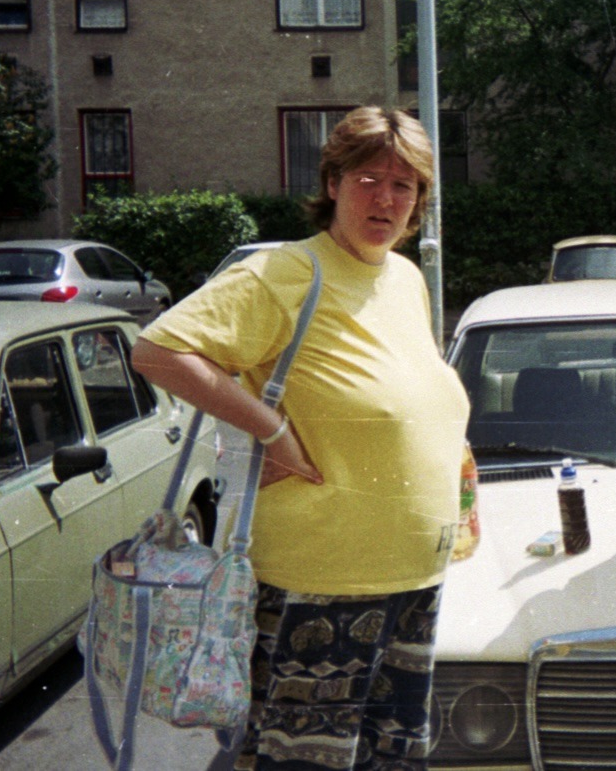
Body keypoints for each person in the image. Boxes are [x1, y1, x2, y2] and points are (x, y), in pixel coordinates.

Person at [132, 106, 469, 771]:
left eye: (404, 185)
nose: (386, 197)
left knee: (393, 761)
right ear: (333, 183)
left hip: (412, 575)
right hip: (321, 584)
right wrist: (273, 430)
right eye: (369, 177)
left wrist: (457, 479)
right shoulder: (287, 272)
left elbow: (416, 389)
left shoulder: (403, 278)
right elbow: (161, 349)